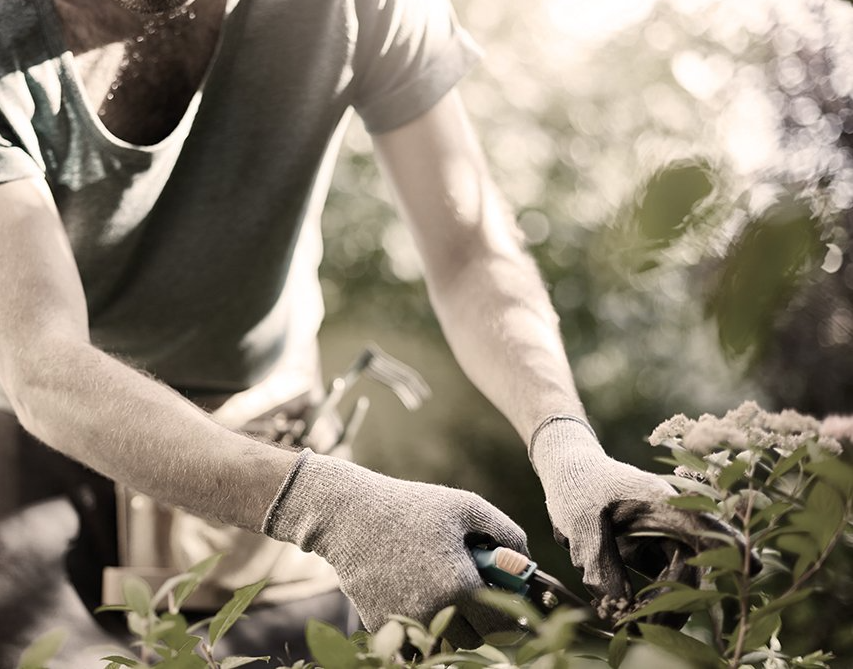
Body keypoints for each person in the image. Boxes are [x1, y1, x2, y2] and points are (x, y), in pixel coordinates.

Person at [0, 0, 732, 664]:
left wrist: (565, 442)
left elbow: (470, 250)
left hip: (267, 439)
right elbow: (42, 363)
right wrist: (326, 506)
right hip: (28, 459)